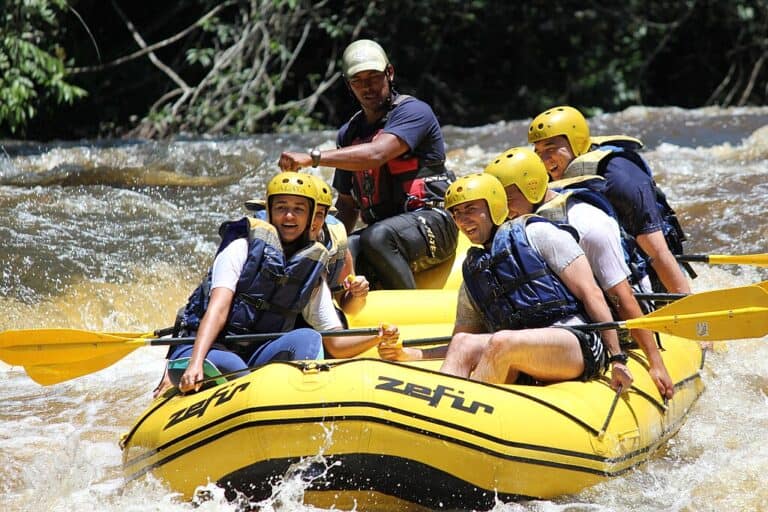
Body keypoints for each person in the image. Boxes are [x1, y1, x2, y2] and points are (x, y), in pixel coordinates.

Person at [385, 173, 632, 391]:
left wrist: (617, 358)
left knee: (503, 340)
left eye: (470, 209)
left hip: (577, 342)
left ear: (494, 206)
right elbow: (460, 343)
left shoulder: (538, 233)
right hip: (518, 348)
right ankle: (442, 420)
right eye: (456, 213)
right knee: (463, 343)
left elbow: (592, 294)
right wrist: (410, 354)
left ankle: (468, 414)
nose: (462, 220)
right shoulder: (475, 271)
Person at [156, 172, 397, 396]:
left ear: (312, 216)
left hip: (258, 353)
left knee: (308, 338)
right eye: (281, 208)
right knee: (234, 366)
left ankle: (299, 398)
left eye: (299, 209)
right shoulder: (242, 246)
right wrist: (196, 362)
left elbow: (333, 339)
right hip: (213, 349)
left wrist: (376, 336)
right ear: (270, 211)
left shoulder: (311, 267)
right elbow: (217, 309)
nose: (289, 216)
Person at [484, 147, 674, 398]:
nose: (502, 209)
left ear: (531, 187)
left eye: (507, 198)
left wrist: (655, 361)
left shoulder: (588, 225)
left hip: (621, 314)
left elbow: (622, 296)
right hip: (571, 318)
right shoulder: (519, 227)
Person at [278, 39, 458, 289]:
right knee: (346, 248)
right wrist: (325, 239)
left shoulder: (414, 112)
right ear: (349, 85)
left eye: (373, 77)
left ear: (389, 73)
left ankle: (410, 309)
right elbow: (348, 204)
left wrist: (313, 158)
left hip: (434, 223)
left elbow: (377, 154)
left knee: (377, 237)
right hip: (386, 232)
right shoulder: (349, 133)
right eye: (358, 81)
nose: (367, 87)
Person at [527, 105, 692, 294]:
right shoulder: (549, 175)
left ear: (576, 142)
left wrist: (687, 304)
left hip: (648, 273)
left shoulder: (620, 179)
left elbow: (658, 253)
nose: (543, 159)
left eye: (551, 148)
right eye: (538, 151)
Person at [245, 174, 369, 318]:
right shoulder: (254, 241)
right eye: (302, 211)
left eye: (318, 214)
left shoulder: (335, 244)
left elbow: (348, 307)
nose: (310, 222)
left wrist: (358, 294)